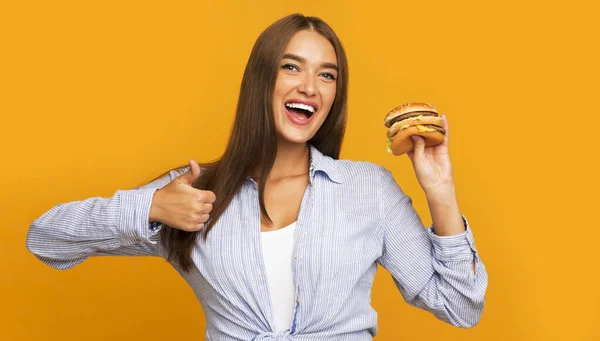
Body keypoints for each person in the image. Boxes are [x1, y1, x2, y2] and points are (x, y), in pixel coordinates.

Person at [26, 13, 488, 341]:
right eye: (291, 67)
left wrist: (440, 190)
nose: (309, 86)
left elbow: (460, 306)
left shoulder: (367, 190)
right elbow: (44, 240)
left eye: (326, 76)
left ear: (333, 97)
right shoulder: (193, 191)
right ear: (260, 80)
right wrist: (148, 207)